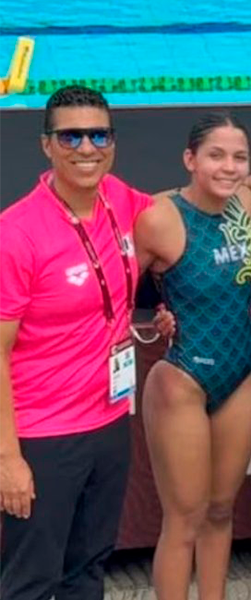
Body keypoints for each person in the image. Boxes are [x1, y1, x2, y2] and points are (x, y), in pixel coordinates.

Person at [0, 85, 153, 599]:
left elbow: (189, 207)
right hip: (43, 435)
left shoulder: (122, 201)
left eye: (98, 134)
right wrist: (8, 459)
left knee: (88, 568)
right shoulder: (16, 233)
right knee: (32, 581)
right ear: (47, 145)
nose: (86, 148)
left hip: (109, 421)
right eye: (71, 136)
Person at [134, 113, 251, 599]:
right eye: (215, 156)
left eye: (239, 157)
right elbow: (121, 289)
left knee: (221, 510)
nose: (229, 167)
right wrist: (156, 315)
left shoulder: (247, 202)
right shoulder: (161, 216)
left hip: (241, 374)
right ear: (190, 159)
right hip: (184, 376)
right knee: (183, 519)